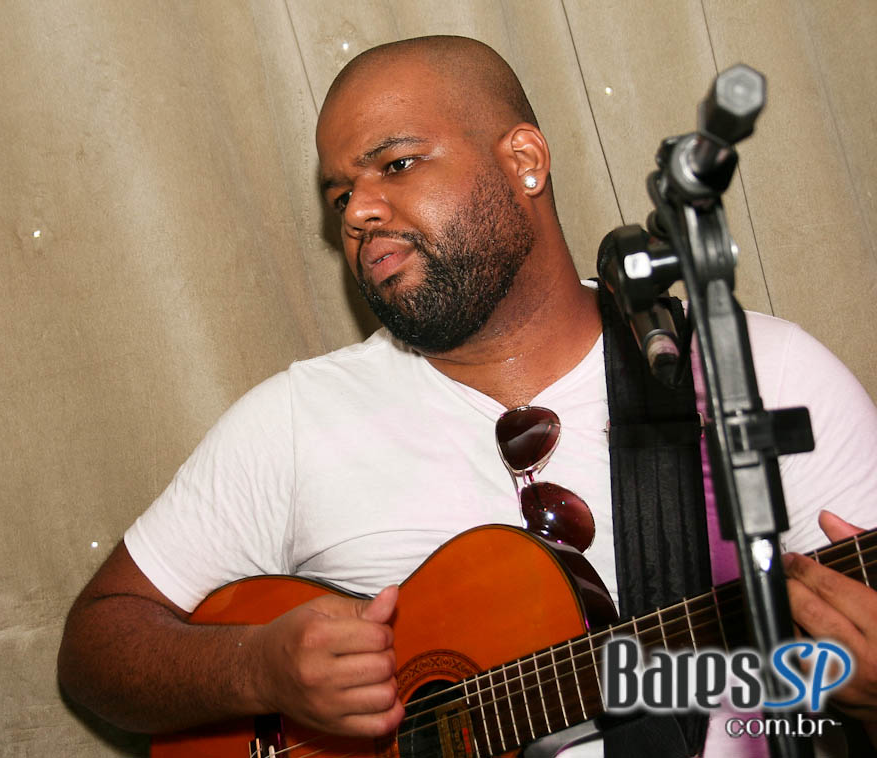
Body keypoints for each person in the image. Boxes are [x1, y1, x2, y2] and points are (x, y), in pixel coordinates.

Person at [57, 36, 877, 756]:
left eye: (396, 164)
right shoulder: (294, 424)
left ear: (524, 159)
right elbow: (95, 648)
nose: (360, 214)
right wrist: (257, 667)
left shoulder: (755, 372)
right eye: (341, 196)